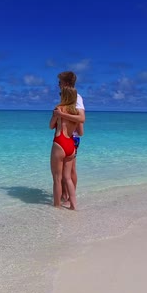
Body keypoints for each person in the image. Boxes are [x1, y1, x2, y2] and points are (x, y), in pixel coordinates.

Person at [49, 72, 82, 209]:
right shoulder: (75, 112)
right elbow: (80, 131)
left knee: (57, 178)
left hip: (60, 142)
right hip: (71, 144)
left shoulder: (59, 109)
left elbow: (51, 126)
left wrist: (58, 115)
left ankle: (57, 207)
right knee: (67, 177)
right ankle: (73, 205)